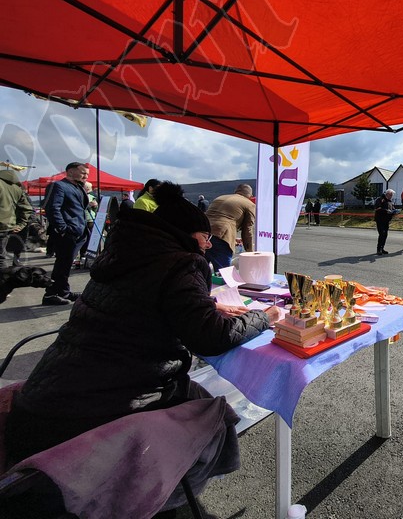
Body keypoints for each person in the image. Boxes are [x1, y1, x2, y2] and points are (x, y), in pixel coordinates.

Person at [4, 181, 277, 501]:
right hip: (100, 407)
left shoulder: (126, 253)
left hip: (49, 391)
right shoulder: (183, 262)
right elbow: (211, 337)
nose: (207, 245)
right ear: (189, 235)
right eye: (205, 237)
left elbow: (141, 298)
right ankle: (161, 497)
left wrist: (207, 305)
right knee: (216, 414)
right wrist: (263, 318)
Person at [42, 162, 90, 305]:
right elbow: (52, 208)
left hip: (78, 232)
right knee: (62, 264)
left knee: (66, 264)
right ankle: (51, 294)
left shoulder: (78, 187)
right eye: (83, 173)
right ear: (70, 172)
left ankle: (63, 291)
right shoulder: (58, 186)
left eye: (87, 174)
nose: (86, 176)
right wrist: (63, 229)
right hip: (67, 233)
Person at [205, 184, 256, 272]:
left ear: (236, 192)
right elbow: (247, 230)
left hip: (203, 234)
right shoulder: (249, 204)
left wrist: (234, 239)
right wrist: (249, 251)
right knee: (223, 272)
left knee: (200, 269)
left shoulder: (220, 198)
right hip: (221, 237)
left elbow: (216, 220)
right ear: (250, 196)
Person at [0, 169, 33, 270]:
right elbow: (27, 208)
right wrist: (20, 225)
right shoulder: (17, 188)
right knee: (1, 257)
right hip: (6, 227)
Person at [79, 180, 98, 261]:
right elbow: (95, 207)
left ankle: (83, 254)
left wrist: (94, 206)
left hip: (85, 219)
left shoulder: (83, 196)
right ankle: (85, 254)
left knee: (85, 238)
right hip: (87, 219)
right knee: (88, 238)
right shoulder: (88, 197)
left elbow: (95, 208)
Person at [374, 189, 395, 255]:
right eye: (390, 195)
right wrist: (386, 211)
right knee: (382, 234)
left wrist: (394, 212)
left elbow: (392, 208)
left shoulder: (390, 201)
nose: (391, 196)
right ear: (387, 194)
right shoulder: (380, 199)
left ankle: (382, 248)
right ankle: (379, 249)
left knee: (385, 234)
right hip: (380, 220)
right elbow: (377, 208)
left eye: (392, 195)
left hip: (386, 220)